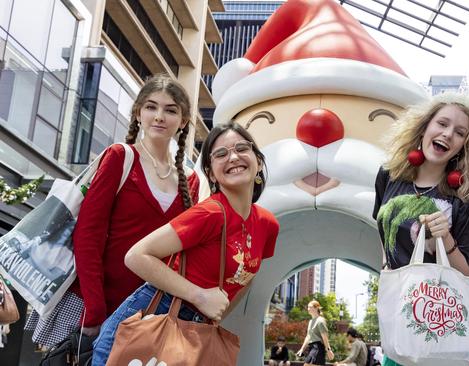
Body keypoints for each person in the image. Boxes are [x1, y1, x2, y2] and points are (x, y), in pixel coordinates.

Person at [24, 74, 199, 348]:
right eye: (151, 107)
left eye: (170, 110)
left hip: (149, 314)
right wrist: (94, 309)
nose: (159, 116)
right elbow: (88, 235)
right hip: (95, 306)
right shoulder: (120, 157)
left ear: (183, 121)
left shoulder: (190, 180)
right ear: (138, 113)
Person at [91, 121, 279, 364]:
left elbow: (246, 278)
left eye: (242, 148)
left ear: (259, 161)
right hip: (153, 317)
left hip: (196, 331)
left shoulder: (267, 224)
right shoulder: (209, 213)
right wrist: (200, 297)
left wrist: (216, 313)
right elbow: (137, 256)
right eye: (221, 154)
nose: (233, 157)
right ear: (211, 173)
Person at [373, 93, 469, 366]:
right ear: (425, 126)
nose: (448, 134)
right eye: (442, 124)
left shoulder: (467, 198)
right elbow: (381, 228)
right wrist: (388, 268)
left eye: (460, 132)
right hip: (403, 313)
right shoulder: (388, 177)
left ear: (464, 145)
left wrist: (446, 237)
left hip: (447, 320)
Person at [297, 300, 335, 365]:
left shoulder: (320, 321)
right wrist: (302, 349)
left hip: (318, 348)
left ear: (316, 308)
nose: (308, 309)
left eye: (310, 307)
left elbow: (325, 337)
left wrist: (329, 350)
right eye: (308, 307)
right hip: (311, 347)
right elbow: (308, 337)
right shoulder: (310, 321)